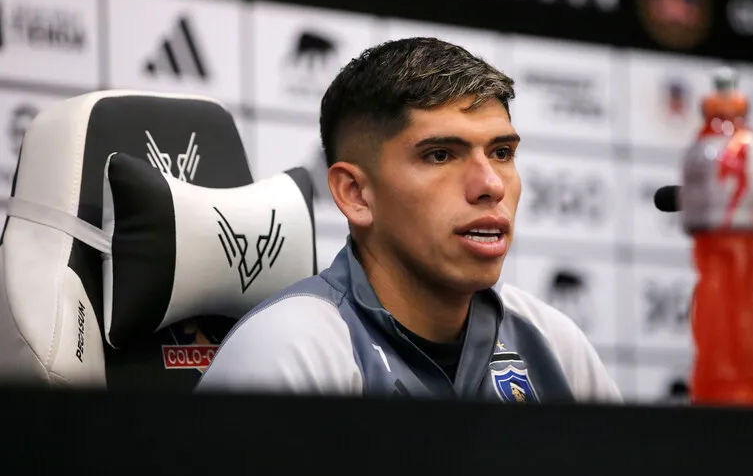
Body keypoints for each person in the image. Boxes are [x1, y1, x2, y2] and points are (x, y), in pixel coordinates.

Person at [197, 38, 621, 403]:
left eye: (502, 153)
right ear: (355, 195)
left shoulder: (551, 341)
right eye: (440, 155)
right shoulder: (288, 350)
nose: (490, 185)